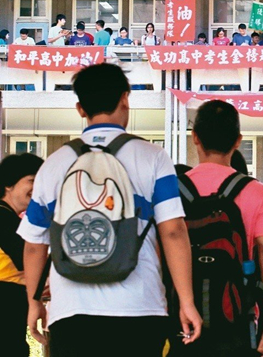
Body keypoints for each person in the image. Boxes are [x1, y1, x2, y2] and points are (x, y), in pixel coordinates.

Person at [19, 63, 202, 356]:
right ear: (125, 99)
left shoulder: (53, 164)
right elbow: (173, 232)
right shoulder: (153, 157)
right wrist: (187, 301)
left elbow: (33, 245)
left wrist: (34, 302)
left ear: (80, 108)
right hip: (139, 308)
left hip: (70, 312)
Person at [184, 100, 263, 356]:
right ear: (238, 141)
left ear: (195, 137)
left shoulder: (174, 189)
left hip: (182, 317)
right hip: (236, 317)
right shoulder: (258, 192)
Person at [0, 153, 44, 357]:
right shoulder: (4, 218)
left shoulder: (9, 217)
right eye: (32, 181)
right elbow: (29, 260)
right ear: (9, 184)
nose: (38, 188)